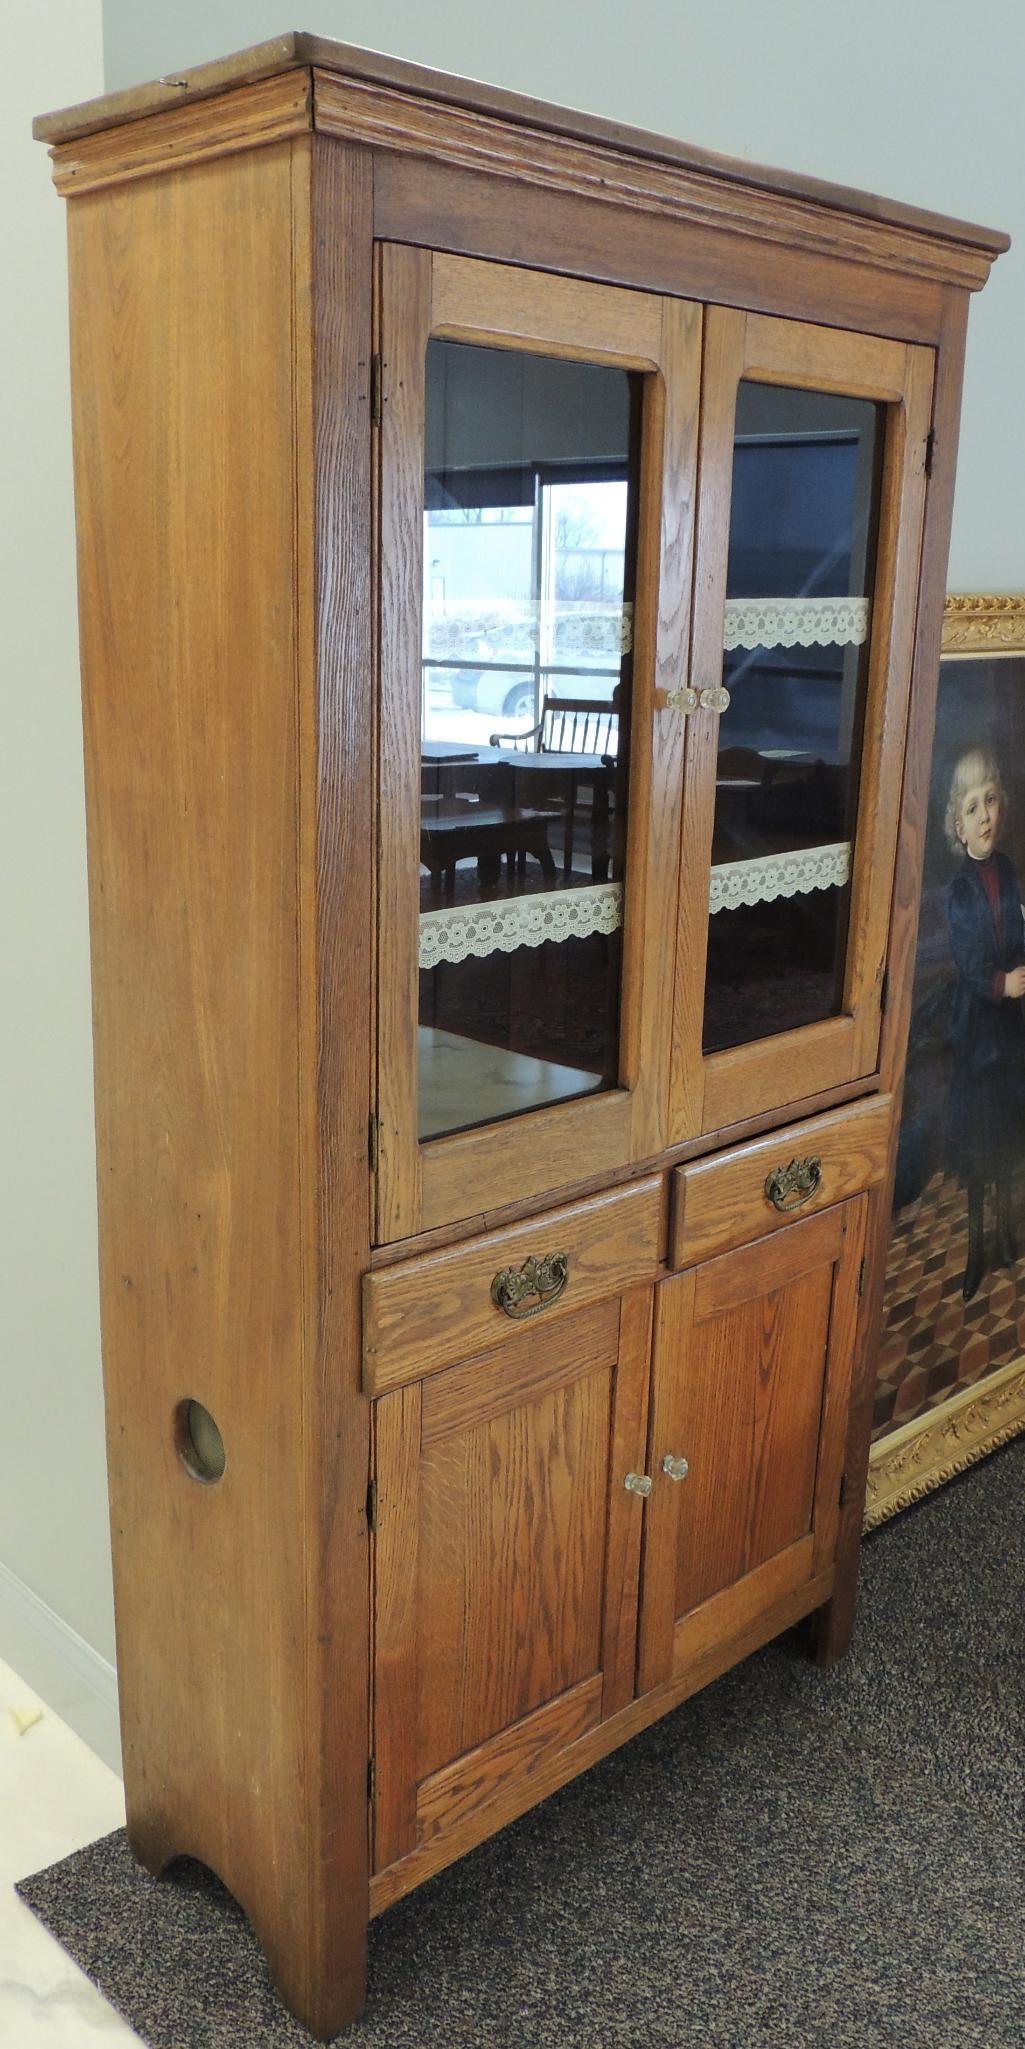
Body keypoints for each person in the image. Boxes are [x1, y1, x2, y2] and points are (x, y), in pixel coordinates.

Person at [944, 746, 1025, 1301]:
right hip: (978, 1034)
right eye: (974, 808)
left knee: (1006, 1138)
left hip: (1011, 1035)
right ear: (959, 825)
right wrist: (1003, 984)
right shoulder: (957, 891)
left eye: (991, 801)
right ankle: (976, 1250)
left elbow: (1014, 938)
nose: (986, 816)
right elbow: (972, 965)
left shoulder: (1010, 870)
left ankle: (1005, 1236)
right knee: (979, 1144)